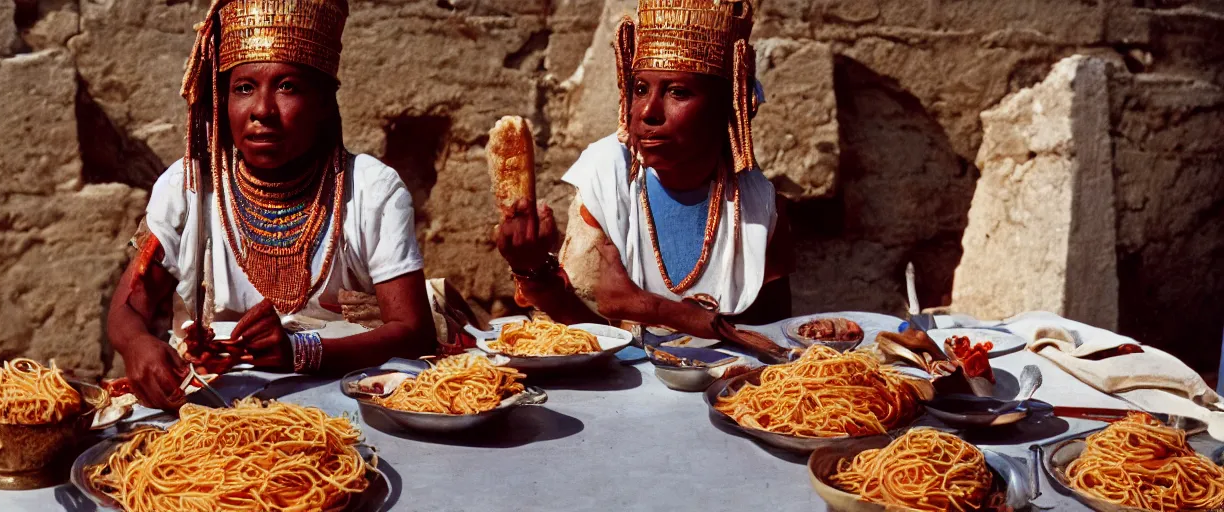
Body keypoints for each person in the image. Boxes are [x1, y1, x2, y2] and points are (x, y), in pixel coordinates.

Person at [107, 0, 435, 410]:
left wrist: (300, 351)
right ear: (222, 101)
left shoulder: (371, 189)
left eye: (288, 87)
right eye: (244, 88)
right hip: (209, 408)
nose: (262, 110)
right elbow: (126, 309)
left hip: (347, 405)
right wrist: (137, 344)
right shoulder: (189, 186)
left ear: (321, 102)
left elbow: (414, 332)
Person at [494, 0, 792, 359]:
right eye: (640, 89)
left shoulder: (758, 205)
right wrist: (533, 271)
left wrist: (650, 308)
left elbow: (773, 344)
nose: (647, 112)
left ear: (723, 107)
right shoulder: (608, 179)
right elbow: (581, 338)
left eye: (677, 92)